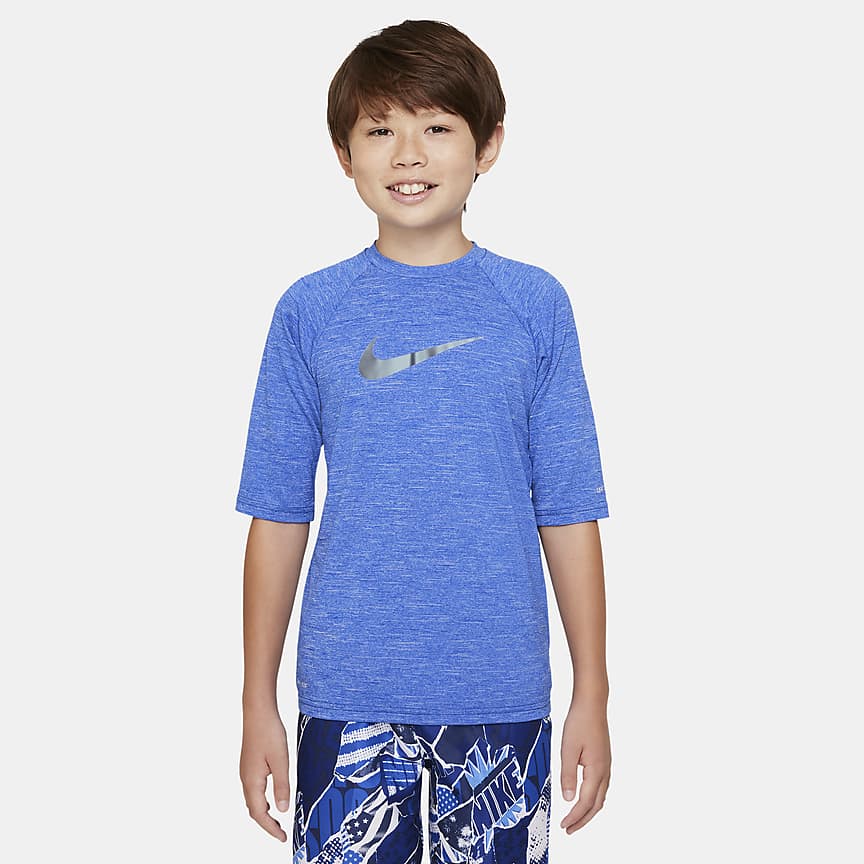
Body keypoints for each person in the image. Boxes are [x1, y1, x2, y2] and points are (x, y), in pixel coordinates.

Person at [235, 19, 612, 863]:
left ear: (489, 145)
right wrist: (257, 700)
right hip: (348, 691)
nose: (408, 154)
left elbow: (568, 507)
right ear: (344, 155)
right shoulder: (311, 312)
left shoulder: (534, 305)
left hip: (500, 690)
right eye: (380, 130)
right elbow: (277, 512)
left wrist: (593, 688)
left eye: (437, 126)